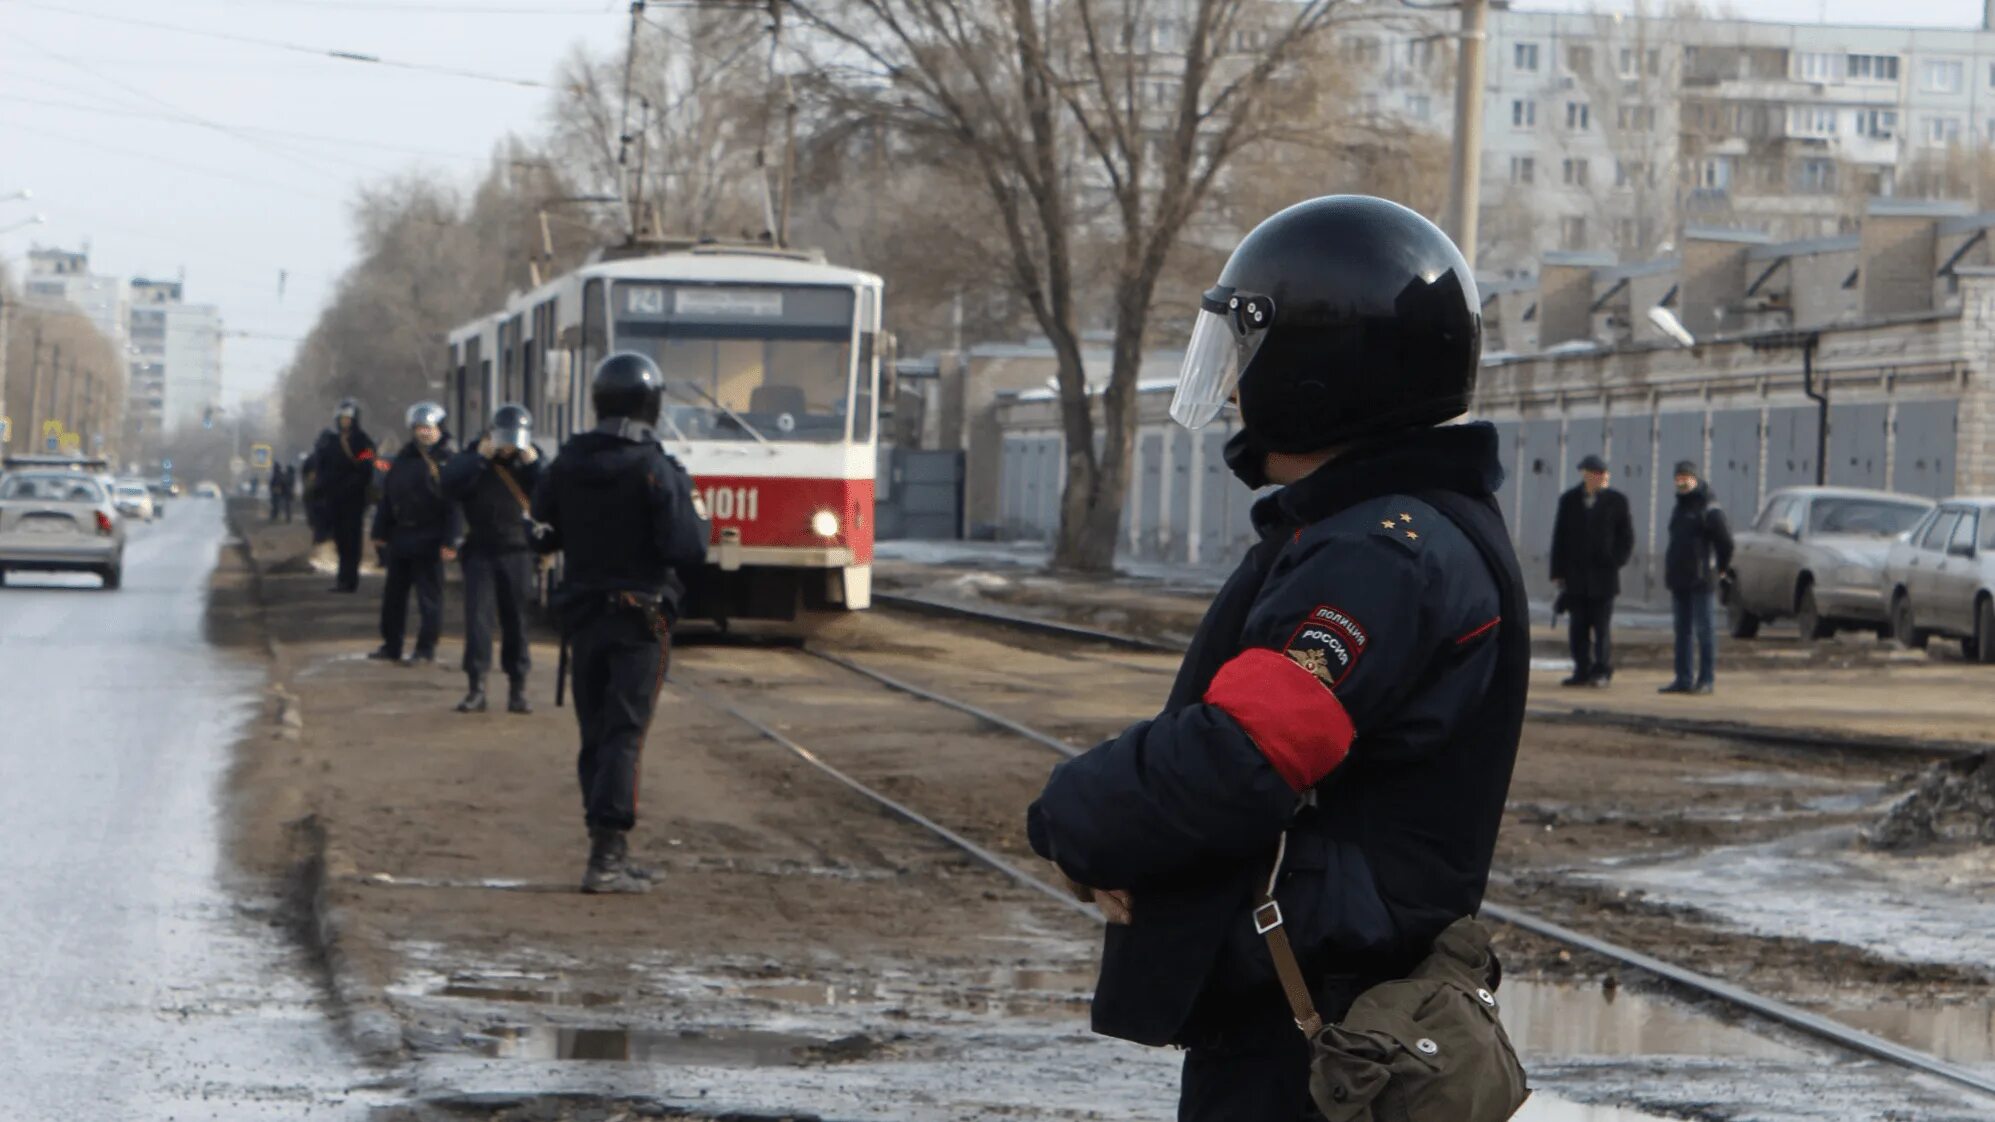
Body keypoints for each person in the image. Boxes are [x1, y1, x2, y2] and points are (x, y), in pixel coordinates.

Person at [1024, 196, 1530, 1121]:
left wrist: (1074, 814)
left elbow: (1241, 752)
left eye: (1247, 349)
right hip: (1324, 1007)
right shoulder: (1398, 528)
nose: (1232, 383)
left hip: (1310, 1039)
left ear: (1317, 370)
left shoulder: (1378, 554)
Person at [532, 353, 710, 894]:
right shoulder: (656, 469)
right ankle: (607, 858)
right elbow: (688, 547)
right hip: (642, 617)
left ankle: (604, 844)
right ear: (651, 405)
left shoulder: (565, 465)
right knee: (625, 733)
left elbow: (540, 535)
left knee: (595, 732)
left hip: (583, 615)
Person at [441, 403, 543, 715]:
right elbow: (449, 485)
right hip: (481, 551)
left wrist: (535, 464)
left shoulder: (527, 463)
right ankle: (477, 687)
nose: (509, 446)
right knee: (478, 621)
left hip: (517, 550)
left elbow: (551, 492)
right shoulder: (475, 458)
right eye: (505, 439)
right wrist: (478, 459)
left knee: (517, 622)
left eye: (515, 439)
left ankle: (518, 688)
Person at [368, 403, 461, 665]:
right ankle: (391, 644)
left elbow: (454, 505)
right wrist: (380, 530)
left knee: (429, 599)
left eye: (428, 428)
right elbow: (389, 497)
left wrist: (450, 540)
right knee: (393, 596)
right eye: (419, 428)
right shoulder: (404, 458)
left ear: (439, 429)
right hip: (402, 536)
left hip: (431, 538)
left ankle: (425, 649)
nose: (424, 433)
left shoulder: (449, 460)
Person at [1549, 453, 1635, 687]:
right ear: (1586, 475)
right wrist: (1557, 571)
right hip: (1576, 576)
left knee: (1602, 628)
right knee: (1578, 627)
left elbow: (1626, 538)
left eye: (1604, 474)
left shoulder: (1617, 501)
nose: (1602, 478)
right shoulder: (1569, 500)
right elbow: (1560, 537)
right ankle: (1581, 670)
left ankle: (1602, 670)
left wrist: (1615, 560)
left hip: (1604, 577)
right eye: (1596, 474)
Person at [1661, 460, 1733, 695]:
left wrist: (1720, 569)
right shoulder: (1679, 506)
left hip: (1701, 579)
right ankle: (1683, 678)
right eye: (1678, 477)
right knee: (1682, 631)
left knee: (1704, 630)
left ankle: (1706, 679)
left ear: (1696, 478)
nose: (1682, 481)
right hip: (1680, 578)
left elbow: (1726, 541)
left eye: (1686, 477)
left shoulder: (1708, 506)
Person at [306, 399, 377, 592]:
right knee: (340, 540)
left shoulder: (363, 442)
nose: (345, 422)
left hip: (354, 499)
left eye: (348, 419)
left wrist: (351, 482)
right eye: (342, 419)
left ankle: (350, 580)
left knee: (352, 540)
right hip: (334, 499)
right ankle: (342, 579)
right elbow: (322, 467)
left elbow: (366, 466)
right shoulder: (331, 441)